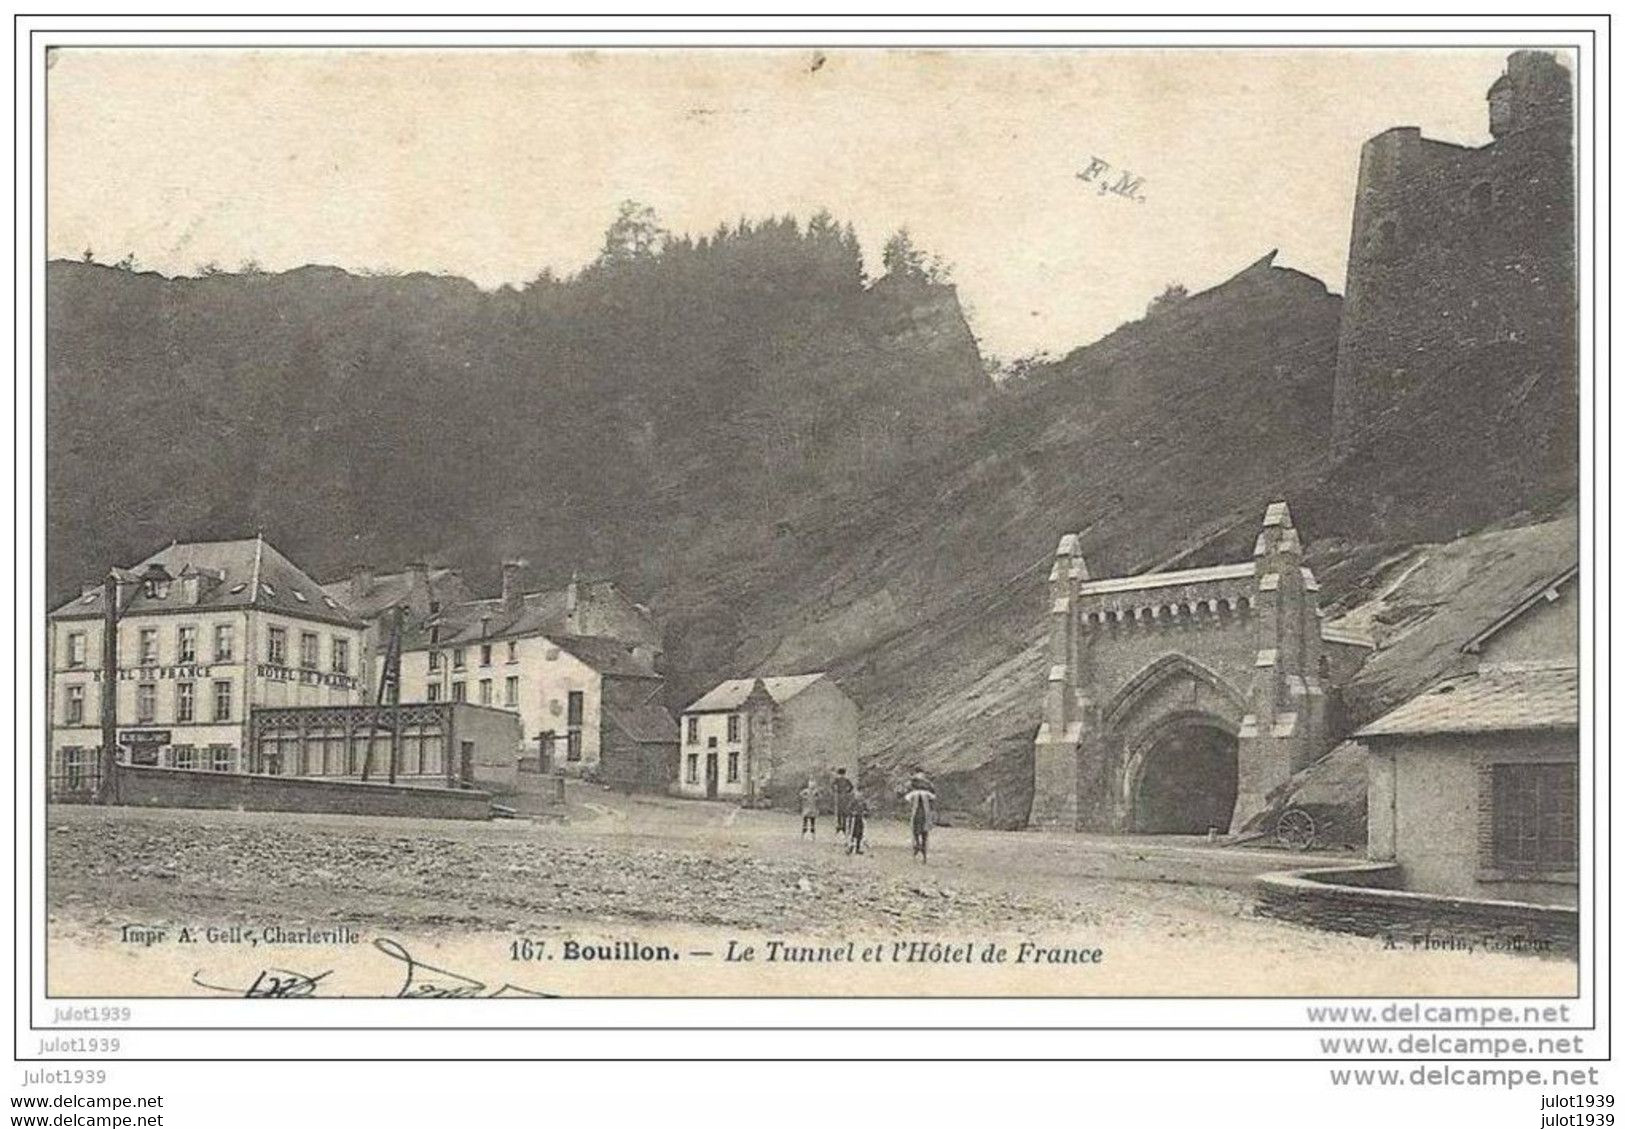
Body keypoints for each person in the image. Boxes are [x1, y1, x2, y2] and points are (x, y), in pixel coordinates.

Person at [903, 772, 936, 863]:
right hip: (925, 815)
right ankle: (924, 853)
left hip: (916, 815)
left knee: (915, 832)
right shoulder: (928, 794)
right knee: (925, 834)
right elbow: (933, 798)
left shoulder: (913, 794)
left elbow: (907, 799)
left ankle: (917, 846)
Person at [831, 766, 855, 835]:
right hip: (844, 797)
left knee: (840, 812)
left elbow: (832, 786)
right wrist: (847, 791)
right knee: (843, 812)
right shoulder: (845, 780)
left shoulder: (837, 779)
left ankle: (840, 826)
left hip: (840, 797)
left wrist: (836, 790)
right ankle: (842, 826)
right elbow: (851, 787)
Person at [845, 789, 869, 856]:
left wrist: (865, 812)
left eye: (860, 794)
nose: (859, 795)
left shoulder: (863, 802)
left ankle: (858, 849)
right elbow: (848, 809)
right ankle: (850, 848)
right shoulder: (853, 802)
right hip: (854, 820)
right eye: (858, 794)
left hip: (860, 819)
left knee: (859, 835)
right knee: (852, 834)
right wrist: (852, 812)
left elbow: (866, 810)